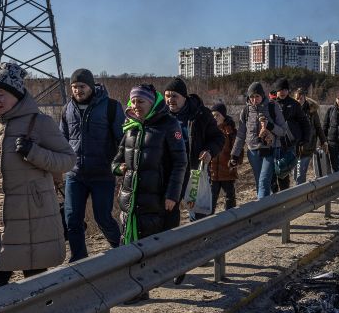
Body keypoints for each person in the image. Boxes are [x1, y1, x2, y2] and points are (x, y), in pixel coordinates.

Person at [0, 62, 75, 313]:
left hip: (33, 218)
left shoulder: (39, 122)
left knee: (37, 283)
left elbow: (68, 159)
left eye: (0, 94)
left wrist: (34, 153)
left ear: (17, 93)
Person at [112, 84, 187, 298]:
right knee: (130, 244)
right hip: (131, 198)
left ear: (152, 103)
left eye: (140, 102)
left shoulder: (169, 125)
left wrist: (173, 195)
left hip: (157, 198)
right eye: (133, 102)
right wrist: (120, 168)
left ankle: (172, 269)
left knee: (153, 243)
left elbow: (179, 163)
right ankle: (136, 289)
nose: (136, 106)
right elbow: (115, 161)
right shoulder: (130, 127)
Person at [60, 68, 125, 262]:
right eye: (74, 87)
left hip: (102, 173)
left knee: (103, 218)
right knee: (72, 219)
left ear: (91, 86)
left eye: (81, 86)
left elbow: (122, 140)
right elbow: (62, 139)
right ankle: (79, 259)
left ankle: (122, 250)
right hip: (75, 174)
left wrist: (121, 166)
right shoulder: (67, 109)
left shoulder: (111, 106)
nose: (78, 91)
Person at [164, 78, 224, 225]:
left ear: (184, 97)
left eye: (174, 96)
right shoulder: (161, 116)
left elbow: (218, 138)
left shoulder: (200, 114)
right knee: (169, 212)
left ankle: (201, 244)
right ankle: (172, 245)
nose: (170, 100)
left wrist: (209, 151)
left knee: (199, 214)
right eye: (167, 96)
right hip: (170, 172)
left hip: (195, 170)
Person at [231, 82, 287, 199]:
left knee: (263, 181)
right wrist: (234, 155)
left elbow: (283, 131)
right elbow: (241, 135)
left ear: (262, 95)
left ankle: (263, 213)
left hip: (270, 150)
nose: (254, 99)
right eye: (252, 97)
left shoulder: (273, 106)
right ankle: (266, 207)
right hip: (253, 151)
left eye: (257, 96)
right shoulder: (246, 111)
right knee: (259, 182)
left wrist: (270, 126)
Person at [270, 78, 310, 192]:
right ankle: (274, 198)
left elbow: (304, 122)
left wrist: (304, 139)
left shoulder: (294, 104)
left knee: (283, 173)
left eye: (284, 89)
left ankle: (284, 198)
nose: (282, 92)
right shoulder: (271, 104)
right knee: (272, 174)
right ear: (276, 91)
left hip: (288, 144)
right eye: (280, 90)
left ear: (288, 91)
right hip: (273, 144)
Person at [209, 103, 240, 212]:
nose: (215, 118)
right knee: (210, 199)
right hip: (212, 172)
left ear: (223, 116)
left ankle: (231, 220)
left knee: (229, 198)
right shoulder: (209, 130)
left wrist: (235, 160)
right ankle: (209, 223)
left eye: (217, 115)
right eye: (213, 115)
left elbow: (238, 148)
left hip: (227, 171)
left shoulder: (230, 131)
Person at [293, 88, 326, 185]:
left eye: (301, 98)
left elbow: (318, 127)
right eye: (297, 98)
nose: (299, 100)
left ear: (304, 97)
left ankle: (300, 197)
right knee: (295, 174)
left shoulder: (311, 111)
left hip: (308, 146)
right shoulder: (293, 111)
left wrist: (323, 141)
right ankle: (300, 194)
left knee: (300, 175)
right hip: (295, 148)